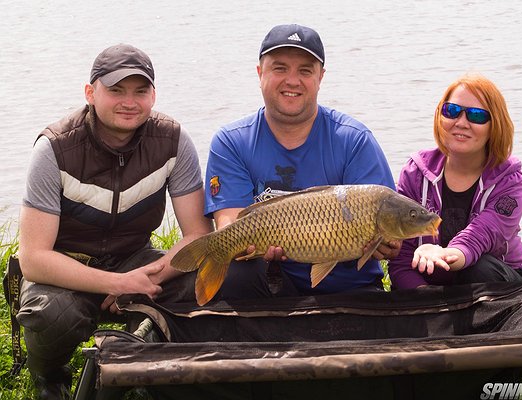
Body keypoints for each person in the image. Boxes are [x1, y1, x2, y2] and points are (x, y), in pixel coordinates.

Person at [16, 44, 213, 399]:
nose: (129, 101)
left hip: (135, 257)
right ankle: (51, 379)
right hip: (68, 264)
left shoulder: (173, 140)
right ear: (90, 92)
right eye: (116, 90)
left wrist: (148, 277)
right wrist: (117, 283)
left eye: (141, 91)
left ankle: (148, 366)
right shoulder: (55, 148)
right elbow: (34, 258)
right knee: (49, 314)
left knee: (200, 281)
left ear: (153, 95)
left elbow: (198, 235)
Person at [204, 24, 400, 300]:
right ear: (260, 74)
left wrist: (388, 244)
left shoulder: (354, 139)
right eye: (280, 68)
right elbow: (230, 225)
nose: (292, 80)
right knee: (237, 274)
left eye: (305, 70)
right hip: (273, 282)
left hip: (351, 288)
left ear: (321, 77)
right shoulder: (231, 141)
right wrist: (249, 246)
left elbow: (389, 228)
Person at [388, 74, 522, 290]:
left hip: (496, 284)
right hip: (433, 286)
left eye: (477, 116)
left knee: (479, 268)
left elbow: (482, 235)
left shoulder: (509, 180)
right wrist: (427, 301)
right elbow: (402, 261)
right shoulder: (415, 173)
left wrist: (442, 255)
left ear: (495, 125)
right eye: (452, 111)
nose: (462, 123)